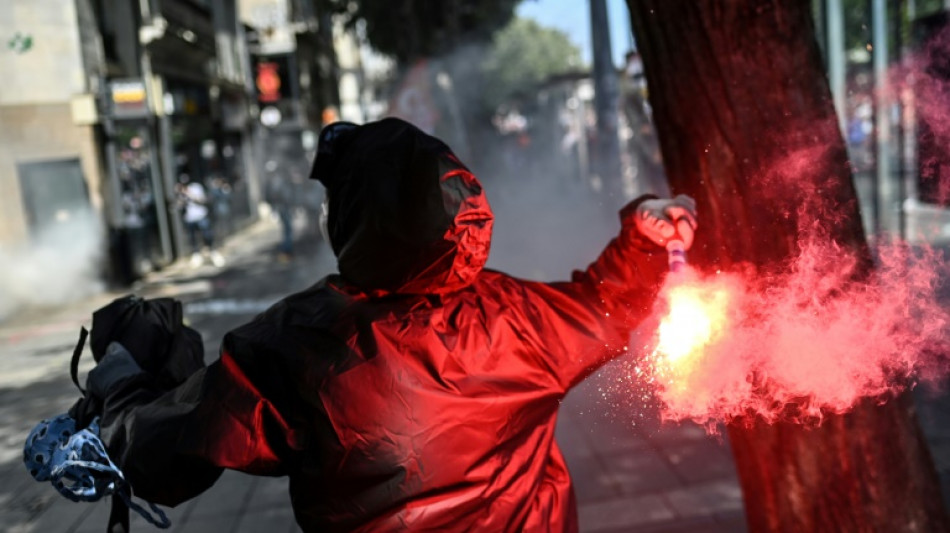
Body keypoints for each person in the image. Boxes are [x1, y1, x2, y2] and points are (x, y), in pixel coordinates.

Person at [86, 118, 697, 532]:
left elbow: (166, 450)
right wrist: (644, 237)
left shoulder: (298, 343)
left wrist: (120, 385)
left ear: (356, 219)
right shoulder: (518, 315)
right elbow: (606, 304)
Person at [176, 175, 224, 267]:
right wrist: (180, 196)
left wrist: (189, 194)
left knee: (207, 235)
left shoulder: (196, 187)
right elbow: (180, 205)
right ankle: (196, 255)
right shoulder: (180, 191)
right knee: (193, 238)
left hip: (201, 216)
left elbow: (202, 200)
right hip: (189, 218)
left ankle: (213, 252)